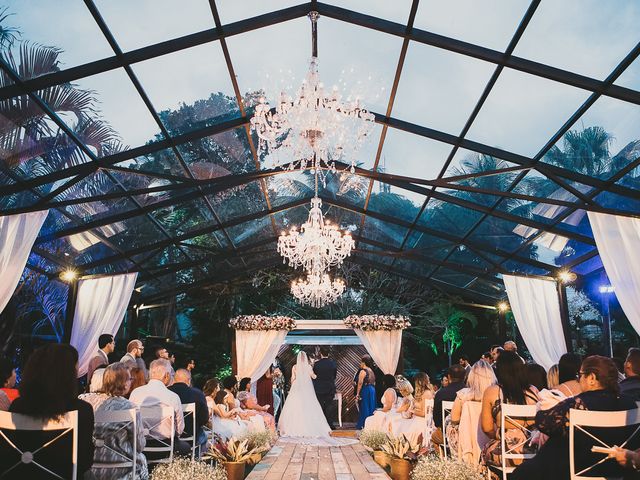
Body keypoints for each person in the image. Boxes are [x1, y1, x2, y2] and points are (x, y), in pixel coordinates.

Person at [511, 356, 637, 480]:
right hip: (617, 469)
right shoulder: (630, 404)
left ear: (592, 378)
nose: (578, 379)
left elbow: (544, 423)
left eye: (580, 375)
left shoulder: (578, 403)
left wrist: (541, 410)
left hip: (576, 468)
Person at [8, 344, 95, 478]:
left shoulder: (17, 406)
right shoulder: (82, 410)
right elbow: (85, 462)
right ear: (69, 374)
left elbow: (9, 454)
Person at [79, 362, 148, 480]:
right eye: (130, 379)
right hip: (122, 470)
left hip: (89, 467)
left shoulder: (85, 400)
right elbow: (139, 446)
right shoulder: (130, 407)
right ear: (124, 383)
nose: (131, 382)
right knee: (142, 459)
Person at [480, 351, 539, 469]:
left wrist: (504, 435)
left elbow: (487, 428)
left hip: (506, 452)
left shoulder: (492, 392)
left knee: (485, 452)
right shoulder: (533, 390)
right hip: (535, 450)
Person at [129, 358, 190, 455]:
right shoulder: (173, 397)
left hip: (139, 448)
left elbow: (130, 423)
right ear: (166, 376)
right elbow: (179, 430)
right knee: (186, 447)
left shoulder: (135, 393)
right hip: (166, 447)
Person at [278, 351, 334, 441]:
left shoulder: (295, 367)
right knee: (309, 407)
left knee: (295, 407)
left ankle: (292, 428)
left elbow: (293, 379)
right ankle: (311, 428)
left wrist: (293, 389)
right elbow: (314, 376)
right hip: (307, 389)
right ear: (306, 358)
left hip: (296, 388)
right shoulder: (308, 367)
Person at [446, 360, 497, 458]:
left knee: (450, 426)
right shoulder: (496, 394)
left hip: (467, 441)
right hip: (492, 438)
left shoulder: (463, 395)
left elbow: (454, 419)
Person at [168, 368, 210, 452]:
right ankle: (196, 460)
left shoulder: (166, 392)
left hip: (169, 438)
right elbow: (204, 419)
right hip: (192, 436)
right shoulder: (197, 394)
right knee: (203, 436)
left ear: (174, 379)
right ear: (189, 380)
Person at [432, 364, 466, 449]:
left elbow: (436, 420)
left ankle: (444, 457)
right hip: (467, 433)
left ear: (449, 377)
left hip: (446, 434)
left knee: (433, 437)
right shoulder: (469, 393)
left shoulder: (441, 393)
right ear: (465, 377)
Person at [313, 346, 338, 428]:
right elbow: (334, 376)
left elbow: (315, 376)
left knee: (319, 406)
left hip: (319, 388)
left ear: (320, 354)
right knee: (329, 406)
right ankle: (330, 424)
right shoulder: (333, 363)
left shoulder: (316, 364)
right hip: (330, 387)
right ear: (328, 354)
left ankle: (320, 425)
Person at [355, 355, 377, 430]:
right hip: (372, 390)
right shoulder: (371, 370)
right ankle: (371, 425)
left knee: (365, 407)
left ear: (363, 363)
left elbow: (360, 383)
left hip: (366, 389)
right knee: (371, 406)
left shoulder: (363, 371)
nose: (360, 364)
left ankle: (364, 424)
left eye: (361, 362)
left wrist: (357, 394)